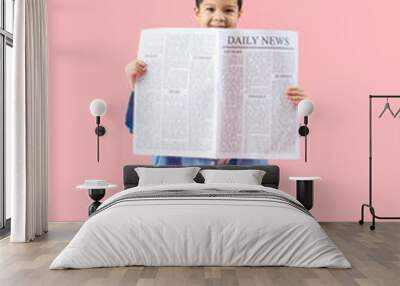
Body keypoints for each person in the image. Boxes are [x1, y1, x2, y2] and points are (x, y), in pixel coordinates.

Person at [125, 0, 307, 166]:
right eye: (210, 9)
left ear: (239, 13)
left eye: (228, 10)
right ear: (197, 12)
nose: (219, 17)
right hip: (176, 167)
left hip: (243, 171)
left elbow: (275, 129)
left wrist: (293, 102)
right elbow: (138, 127)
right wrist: (139, 86)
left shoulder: (260, 58)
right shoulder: (172, 54)